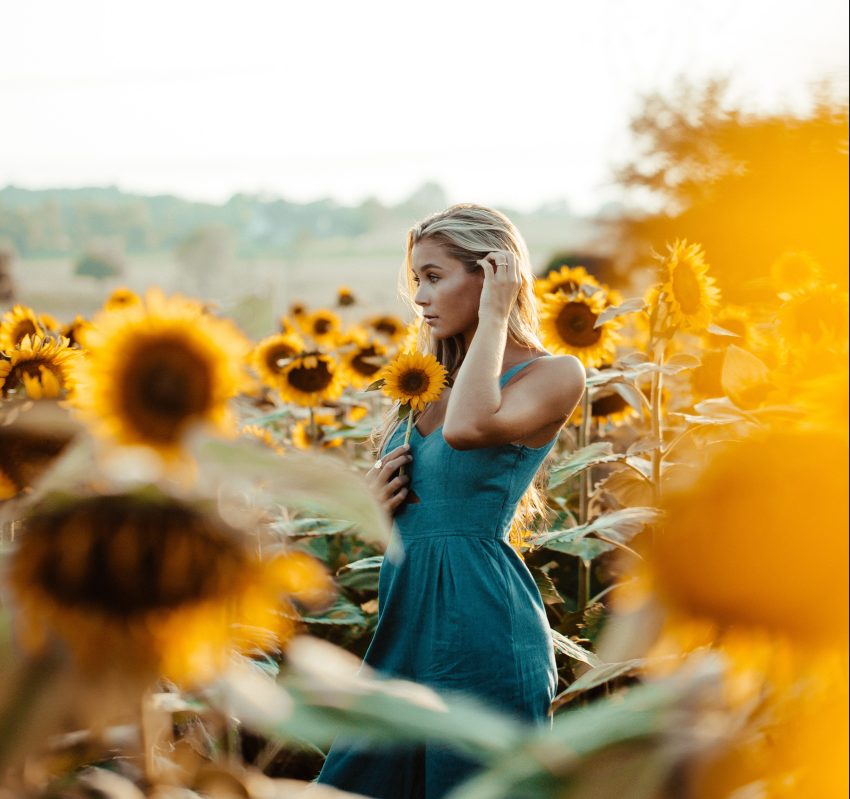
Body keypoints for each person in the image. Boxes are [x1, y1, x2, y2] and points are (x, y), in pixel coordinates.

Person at [313, 203, 586, 798]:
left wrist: (494, 318)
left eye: (434, 277)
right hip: (404, 621)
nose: (420, 298)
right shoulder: (423, 386)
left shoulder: (555, 373)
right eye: (417, 281)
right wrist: (374, 509)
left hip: (481, 626)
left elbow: (467, 430)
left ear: (492, 275)